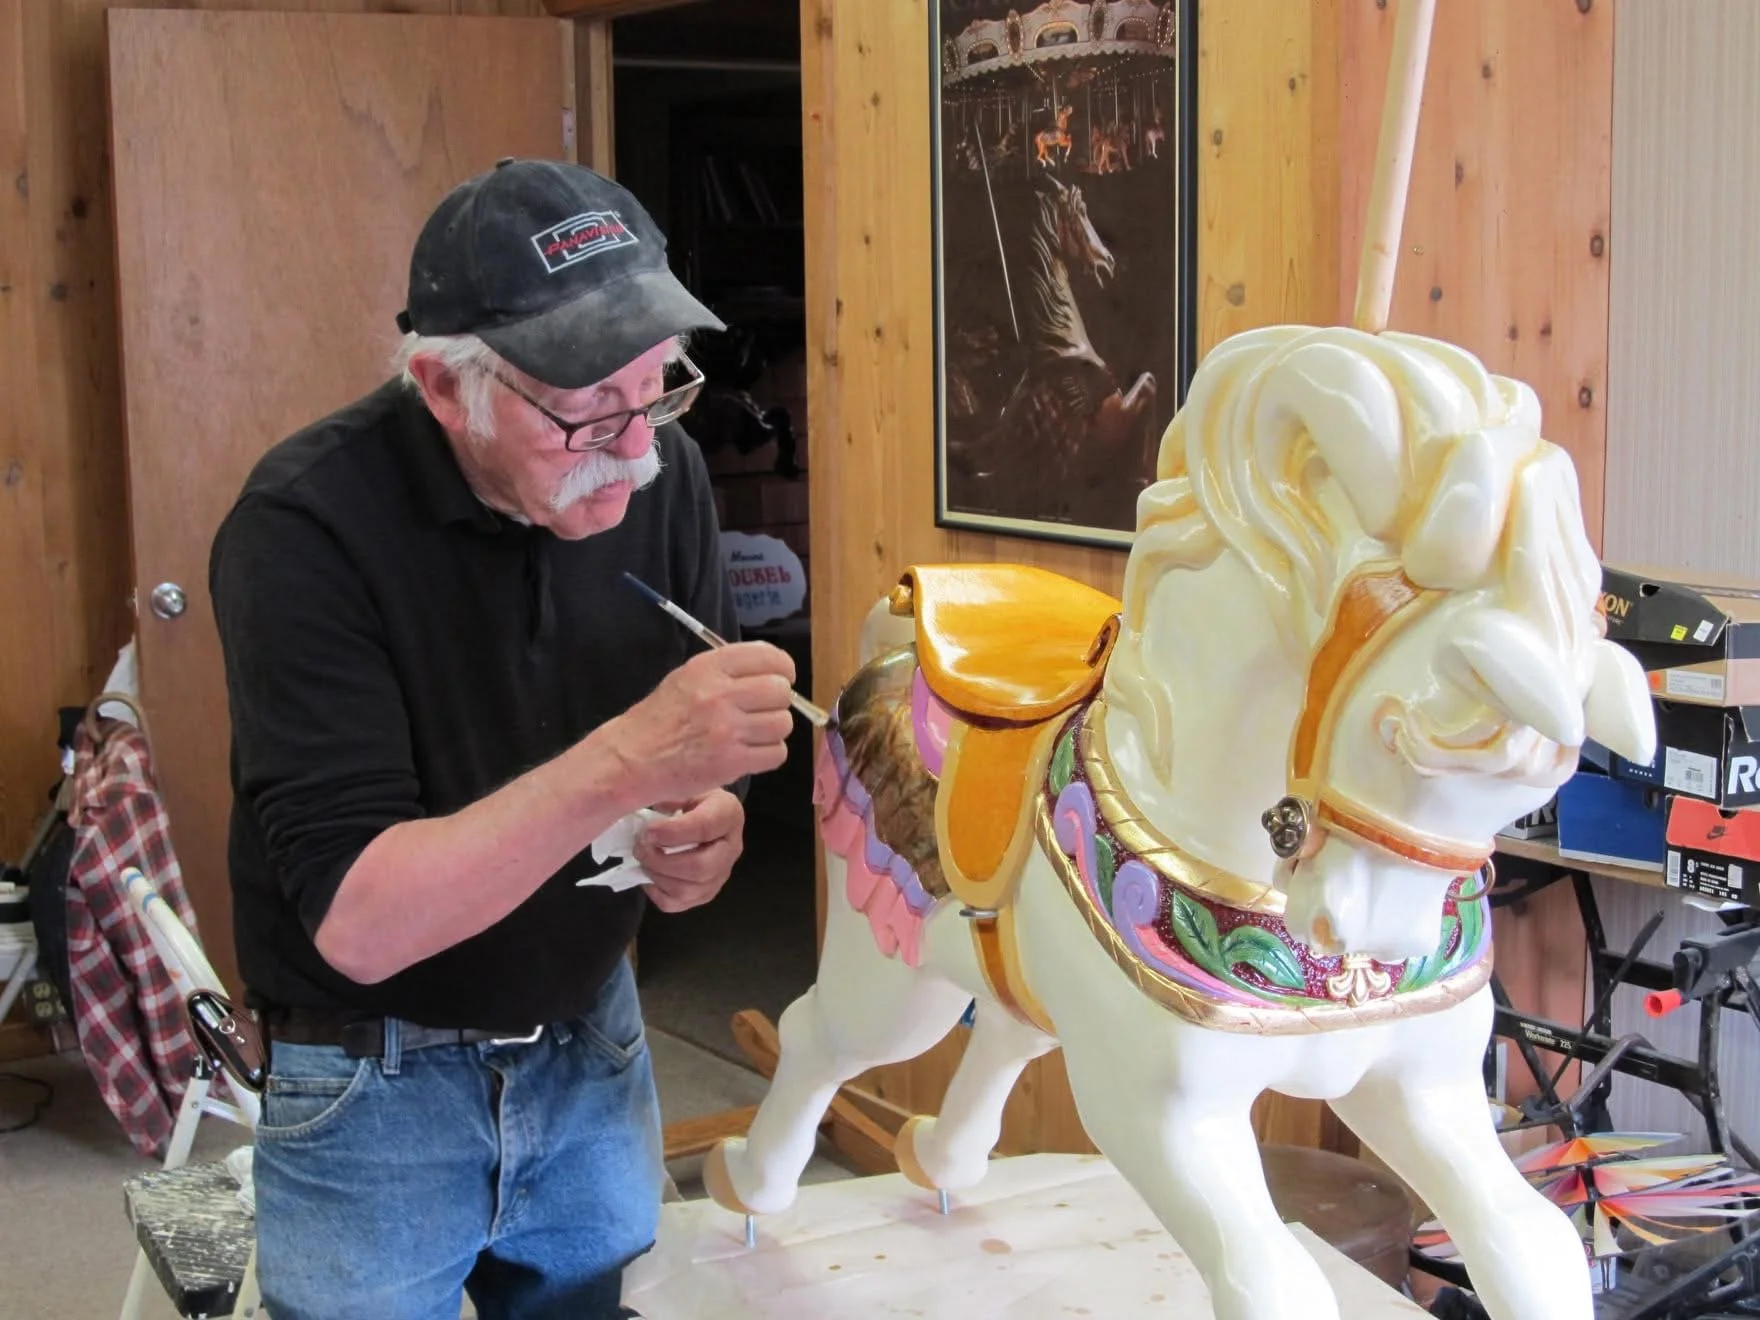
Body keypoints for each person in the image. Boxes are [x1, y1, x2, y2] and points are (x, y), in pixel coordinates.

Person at [208, 158, 798, 1320]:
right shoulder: (305, 527)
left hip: (591, 1032)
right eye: (587, 410)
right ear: (443, 385)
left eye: (659, 387)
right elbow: (365, 925)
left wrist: (701, 835)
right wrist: (633, 756)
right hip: (372, 1076)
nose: (633, 447)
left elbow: (693, 794)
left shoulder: (663, 472)